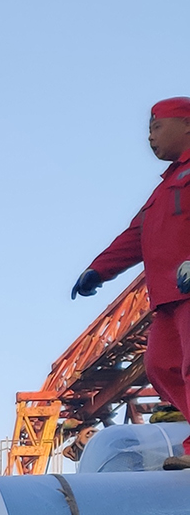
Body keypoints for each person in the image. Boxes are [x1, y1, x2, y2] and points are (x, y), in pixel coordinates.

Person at [71, 98, 190, 467]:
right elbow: (136, 235)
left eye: (157, 127)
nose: (150, 137)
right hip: (168, 298)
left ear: (187, 124)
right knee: (162, 367)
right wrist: (98, 269)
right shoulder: (165, 187)